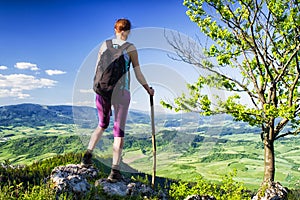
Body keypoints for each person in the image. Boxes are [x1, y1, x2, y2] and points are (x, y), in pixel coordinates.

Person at [81, 18, 154, 183]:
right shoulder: (130, 48)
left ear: (115, 29)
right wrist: (148, 89)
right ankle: (115, 171)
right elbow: (138, 73)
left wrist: (98, 87)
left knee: (102, 124)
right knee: (118, 131)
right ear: (128, 31)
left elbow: (97, 70)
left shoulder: (104, 45)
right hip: (122, 93)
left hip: (102, 91)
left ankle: (87, 156)